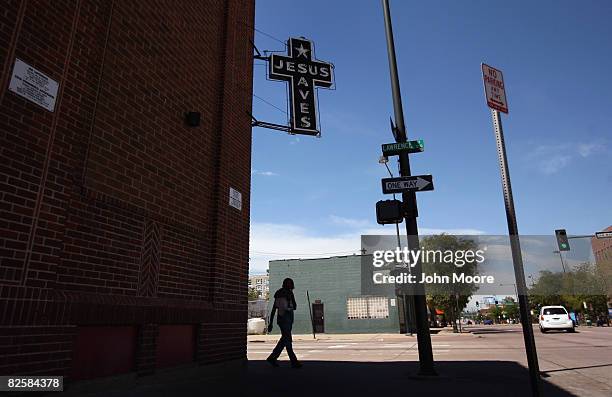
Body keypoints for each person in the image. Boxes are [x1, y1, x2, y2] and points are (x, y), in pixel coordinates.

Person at [266, 278, 302, 368]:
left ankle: (272, 357)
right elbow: (295, 306)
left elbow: (274, 308)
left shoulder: (279, 293)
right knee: (288, 339)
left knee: (284, 340)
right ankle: (294, 361)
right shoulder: (289, 293)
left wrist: (271, 323)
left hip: (282, 319)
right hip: (286, 319)